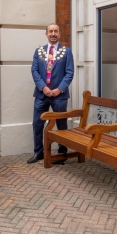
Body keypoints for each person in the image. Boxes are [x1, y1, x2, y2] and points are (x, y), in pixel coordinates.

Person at [27, 23, 75, 164]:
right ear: (46, 34)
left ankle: (62, 153)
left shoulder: (67, 51)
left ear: (59, 34)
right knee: (37, 123)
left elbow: (70, 72)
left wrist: (59, 89)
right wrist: (43, 87)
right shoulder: (39, 51)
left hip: (59, 96)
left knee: (61, 124)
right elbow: (34, 70)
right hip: (42, 94)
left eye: (56, 31)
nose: (53, 34)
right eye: (51, 31)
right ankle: (38, 152)